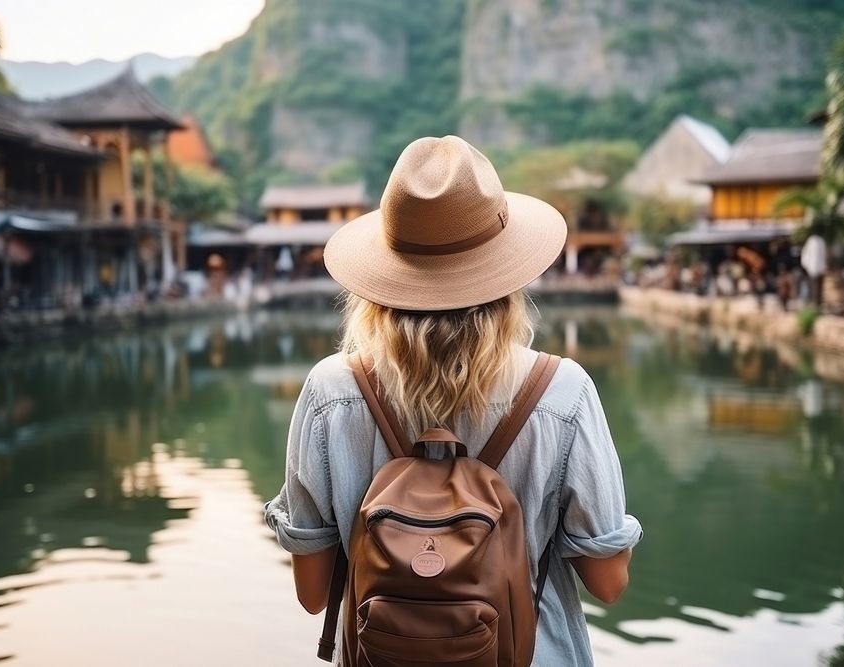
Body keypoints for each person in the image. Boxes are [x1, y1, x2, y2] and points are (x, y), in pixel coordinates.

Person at [263, 136, 641, 666]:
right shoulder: (562, 391)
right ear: (506, 275)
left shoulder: (331, 391)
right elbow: (607, 581)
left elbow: (311, 593)